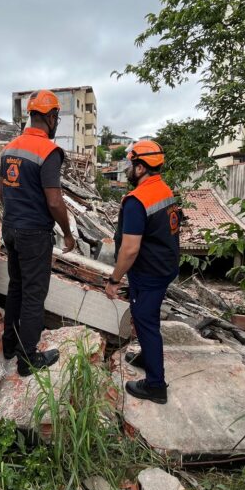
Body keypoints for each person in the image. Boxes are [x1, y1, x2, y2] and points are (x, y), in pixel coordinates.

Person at [0, 89, 76, 376]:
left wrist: (15, 216)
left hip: (11, 228)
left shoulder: (9, 148)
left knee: (16, 287)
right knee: (33, 295)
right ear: (51, 117)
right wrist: (68, 233)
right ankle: (27, 359)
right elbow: (54, 201)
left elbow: (2, 191)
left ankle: (9, 346)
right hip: (34, 234)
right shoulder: (48, 151)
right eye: (56, 117)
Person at [105, 140, 180, 404]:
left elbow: (129, 249)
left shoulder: (137, 201)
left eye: (130, 164)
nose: (127, 169)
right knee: (146, 316)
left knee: (146, 323)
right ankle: (149, 357)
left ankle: (155, 385)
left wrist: (114, 280)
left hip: (149, 272)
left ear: (140, 168)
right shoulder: (163, 189)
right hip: (164, 266)